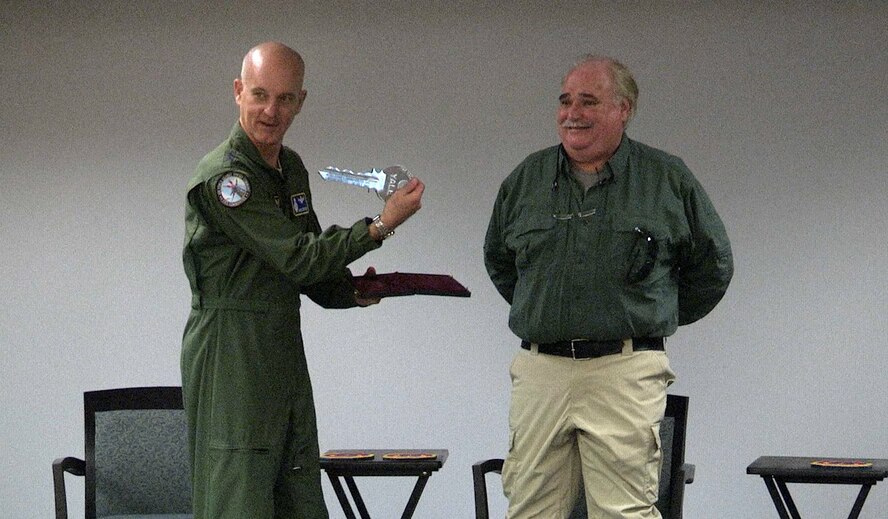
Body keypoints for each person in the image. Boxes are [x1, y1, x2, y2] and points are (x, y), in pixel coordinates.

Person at [180, 41, 424, 519]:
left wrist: (349, 290)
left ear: (301, 101)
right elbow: (297, 258)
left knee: (296, 483)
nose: (272, 111)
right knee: (239, 490)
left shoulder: (289, 168)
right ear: (237, 92)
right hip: (231, 350)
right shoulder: (226, 178)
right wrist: (379, 226)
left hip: (280, 345)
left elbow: (311, 265)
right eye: (260, 95)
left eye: (286, 98)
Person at [483, 55, 733, 518]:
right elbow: (502, 264)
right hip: (541, 370)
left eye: (589, 101)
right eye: (565, 101)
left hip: (624, 368)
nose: (572, 113)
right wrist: (551, 313)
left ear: (625, 108)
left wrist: (647, 313)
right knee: (529, 509)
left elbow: (712, 268)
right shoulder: (526, 180)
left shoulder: (666, 179)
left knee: (624, 512)